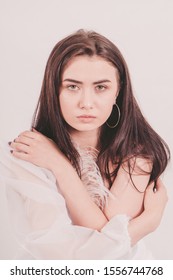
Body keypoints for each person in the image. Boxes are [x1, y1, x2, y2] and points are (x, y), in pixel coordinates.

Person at [0, 29, 170, 259]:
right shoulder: (27, 155)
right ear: (54, 90)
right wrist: (150, 220)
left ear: (118, 91)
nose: (86, 103)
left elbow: (106, 248)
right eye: (72, 86)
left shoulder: (138, 155)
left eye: (101, 87)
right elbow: (75, 257)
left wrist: (60, 167)